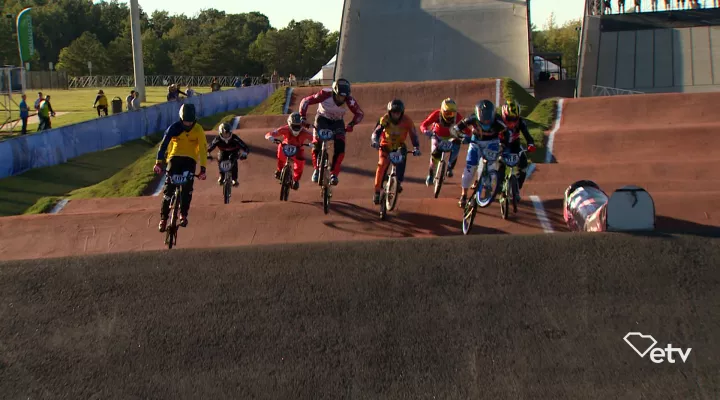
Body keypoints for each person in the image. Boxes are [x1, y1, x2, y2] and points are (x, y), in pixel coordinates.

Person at [298, 78, 364, 186]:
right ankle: (317, 169)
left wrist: (351, 124)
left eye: (344, 97)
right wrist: (302, 117)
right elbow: (305, 101)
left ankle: (334, 174)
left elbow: (359, 113)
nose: (341, 99)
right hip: (322, 119)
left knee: (340, 147)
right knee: (316, 143)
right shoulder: (324, 94)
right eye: (339, 96)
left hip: (338, 122)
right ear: (334, 92)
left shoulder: (349, 100)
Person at [154, 104, 208, 232]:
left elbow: (203, 149)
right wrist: (158, 162)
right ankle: (163, 219)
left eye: (190, 121)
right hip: (174, 157)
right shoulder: (174, 128)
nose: (188, 124)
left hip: (190, 159)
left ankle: (183, 214)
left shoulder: (198, 129)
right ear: (180, 118)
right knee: (168, 189)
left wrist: (203, 169)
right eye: (185, 121)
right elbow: (163, 144)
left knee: (187, 189)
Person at [452, 100, 507, 208]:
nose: (486, 122)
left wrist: (503, 145)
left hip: (492, 143)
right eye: (483, 120)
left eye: (488, 120)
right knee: (469, 169)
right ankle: (464, 195)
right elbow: (455, 130)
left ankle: (487, 185)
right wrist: (463, 137)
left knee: (491, 166)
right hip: (475, 143)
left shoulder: (499, 122)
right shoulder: (471, 118)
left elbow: (506, 134)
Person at [370, 99, 421, 204]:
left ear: (401, 113)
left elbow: (414, 135)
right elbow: (376, 132)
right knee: (382, 165)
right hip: (385, 145)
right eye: (393, 112)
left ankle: (398, 182)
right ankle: (377, 192)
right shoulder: (385, 119)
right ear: (389, 112)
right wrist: (375, 141)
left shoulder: (407, 121)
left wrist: (416, 147)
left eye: (398, 113)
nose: (396, 115)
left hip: (399, 146)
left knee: (402, 159)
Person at [497, 100, 536, 201]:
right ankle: (499, 185)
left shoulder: (521, 122)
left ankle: (517, 188)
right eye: (509, 119)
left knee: (523, 163)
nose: (512, 123)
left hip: (515, 144)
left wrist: (530, 144)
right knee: (501, 163)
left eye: (514, 119)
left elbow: (528, 136)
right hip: (502, 144)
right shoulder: (498, 121)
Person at [420, 98, 464, 185]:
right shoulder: (436, 114)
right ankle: (431, 173)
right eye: (447, 113)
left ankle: (450, 167)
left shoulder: (458, 117)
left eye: (452, 113)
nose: (449, 116)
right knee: (434, 154)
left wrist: (466, 136)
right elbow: (424, 124)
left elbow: (467, 130)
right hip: (437, 136)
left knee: (457, 145)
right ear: (442, 111)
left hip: (451, 137)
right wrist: (425, 131)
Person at [265, 112, 314, 190]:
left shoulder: (304, 132)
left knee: (300, 162)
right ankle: (279, 170)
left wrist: (315, 144)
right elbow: (271, 133)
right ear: (289, 124)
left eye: (298, 126)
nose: (296, 128)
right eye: (294, 126)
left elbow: (315, 139)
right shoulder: (285, 129)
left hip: (298, 148)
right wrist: (270, 137)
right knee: (280, 148)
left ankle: (296, 180)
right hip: (286, 146)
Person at [207, 121, 250, 187]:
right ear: (220, 133)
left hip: (234, 151)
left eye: (228, 133)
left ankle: (234, 179)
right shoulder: (217, 139)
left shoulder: (235, 138)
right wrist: (208, 153)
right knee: (220, 159)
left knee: (233, 160)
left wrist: (245, 153)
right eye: (224, 134)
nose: (226, 135)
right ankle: (221, 176)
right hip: (223, 151)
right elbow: (210, 147)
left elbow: (245, 147)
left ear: (230, 132)